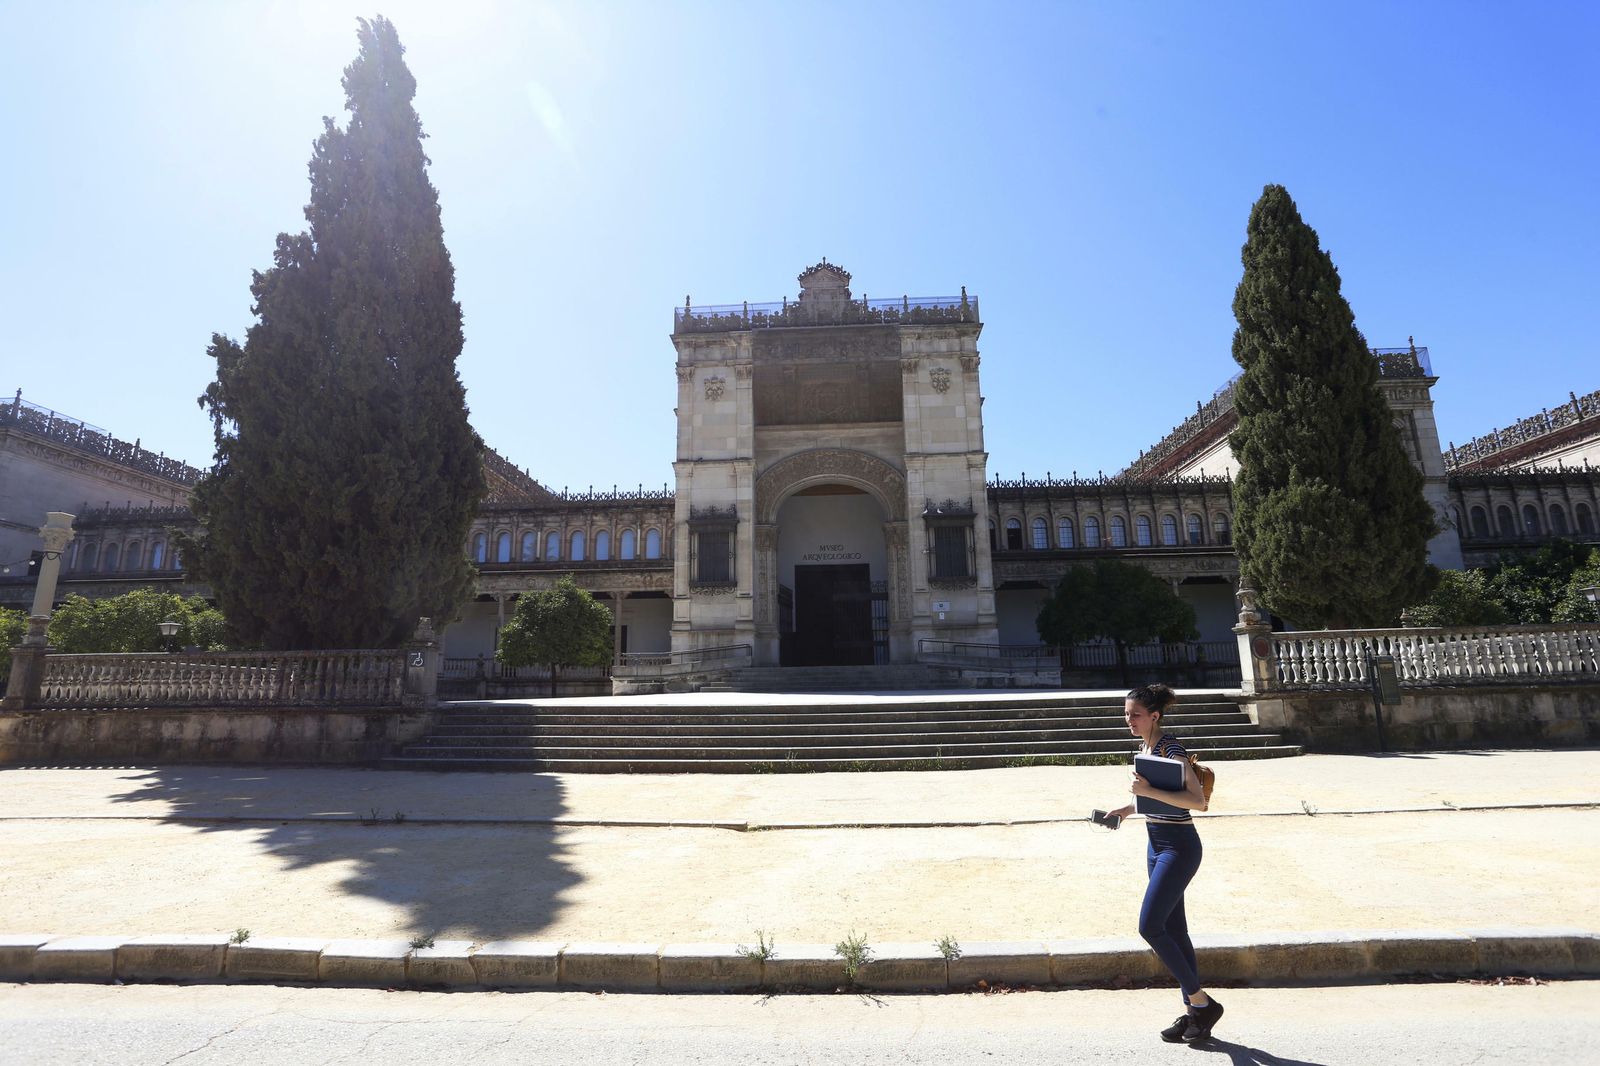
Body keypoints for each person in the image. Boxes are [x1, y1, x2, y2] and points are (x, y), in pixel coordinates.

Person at [1103, 682, 1222, 1043]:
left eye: (1135, 715)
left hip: (1180, 847)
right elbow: (1156, 800)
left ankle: (1202, 1004)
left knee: (1150, 927)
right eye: (1126, 714)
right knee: (1174, 931)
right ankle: (1194, 1015)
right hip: (1156, 844)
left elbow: (1197, 801)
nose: (1129, 720)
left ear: (1154, 715)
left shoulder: (1172, 749)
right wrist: (1126, 810)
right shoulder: (1146, 747)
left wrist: (1146, 791)